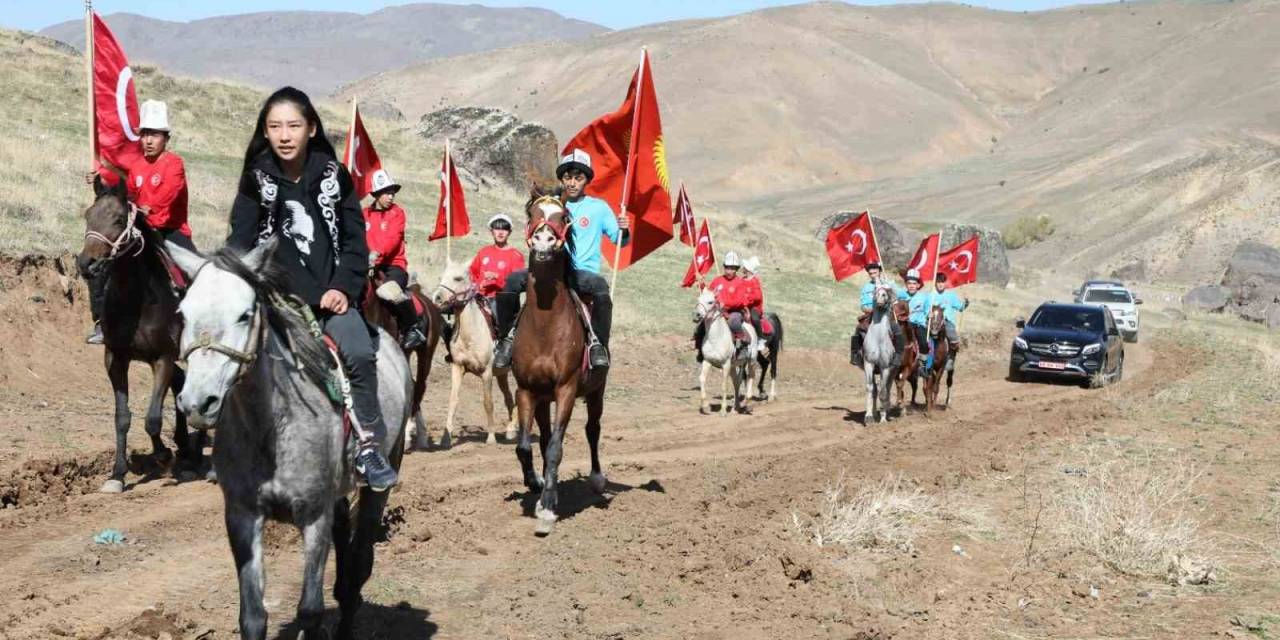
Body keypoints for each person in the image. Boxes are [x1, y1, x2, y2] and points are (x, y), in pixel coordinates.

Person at [225, 86, 397, 491]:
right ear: (264, 132)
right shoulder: (256, 180)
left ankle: (368, 445)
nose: (284, 135)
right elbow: (241, 244)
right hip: (276, 302)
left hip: (333, 303)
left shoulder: (333, 176)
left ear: (312, 128)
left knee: (356, 347)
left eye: (293, 126)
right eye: (275, 127)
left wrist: (342, 288)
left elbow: (356, 241)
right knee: (235, 352)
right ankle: (230, 440)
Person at [492, 149, 629, 369]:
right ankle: (505, 340)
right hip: (545, 269)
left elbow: (620, 241)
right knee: (510, 282)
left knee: (600, 286)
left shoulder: (599, 208)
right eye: (567, 177)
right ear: (562, 179)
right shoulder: (550, 204)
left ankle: (598, 345)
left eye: (578, 178)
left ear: (586, 180)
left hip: (581, 273)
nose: (572, 183)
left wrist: (624, 229)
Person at [82, 99, 196, 344]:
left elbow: (169, 195)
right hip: (141, 230)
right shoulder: (137, 167)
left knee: (194, 274)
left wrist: (148, 209)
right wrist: (100, 182)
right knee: (105, 262)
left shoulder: (174, 164)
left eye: (154, 134)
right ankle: (103, 322)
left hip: (170, 231)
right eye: (144, 134)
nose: (148, 140)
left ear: (166, 138)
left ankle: (193, 327)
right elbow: (128, 196)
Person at [440, 214, 525, 363]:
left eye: (504, 229)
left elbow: (517, 283)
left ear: (509, 232)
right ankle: (452, 346)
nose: (500, 232)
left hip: (501, 299)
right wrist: (475, 285)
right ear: (491, 231)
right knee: (446, 309)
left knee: (498, 318)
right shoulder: (484, 252)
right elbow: (472, 273)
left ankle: (503, 347)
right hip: (478, 296)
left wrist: (497, 280)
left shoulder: (515, 255)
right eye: (496, 228)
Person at [363, 168, 426, 350]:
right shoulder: (364, 214)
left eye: (392, 193)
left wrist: (375, 256)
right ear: (376, 194)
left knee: (388, 291)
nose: (391, 196)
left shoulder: (397, 213)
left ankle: (412, 329)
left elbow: (392, 240)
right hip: (366, 265)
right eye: (386, 193)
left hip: (393, 266)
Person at [694, 252, 753, 360]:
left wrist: (725, 304)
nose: (729, 271)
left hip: (734, 312)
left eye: (732, 268)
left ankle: (742, 346)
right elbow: (710, 293)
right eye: (727, 268)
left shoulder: (740, 282)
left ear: (736, 269)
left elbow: (740, 300)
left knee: (734, 322)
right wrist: (701, 283)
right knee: (702, 323)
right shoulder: (718, 280)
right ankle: (700, 349)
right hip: (718, 311)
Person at [850, 262, 908, 367]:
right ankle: (855, 355)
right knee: (859, 328)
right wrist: (869, 310)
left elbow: (904, 295)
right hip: (871, 314)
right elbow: (863, 305)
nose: (873, 275)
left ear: (880, 272)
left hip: (887, 315)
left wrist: (892, 289)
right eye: (871, 273)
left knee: (897, 330)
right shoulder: (866, 287)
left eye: (875, 273)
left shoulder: (888, 284)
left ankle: (898, 356)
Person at [910, 272, 968, 355]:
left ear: (945, 283)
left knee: (951, 334)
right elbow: (925, 308)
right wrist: (927, 314)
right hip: (931, 321)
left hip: (946, 321)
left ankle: (951, 355)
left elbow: (960, 307)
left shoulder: (951, 295)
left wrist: (965, 304)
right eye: (938, 282)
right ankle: (921, 356)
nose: (940, 284)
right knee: (921, 335)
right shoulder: (930, 295)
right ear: (935, 283)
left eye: (942, 282)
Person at [740, 255, 770, 355]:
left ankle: (761, 339)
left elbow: (757, 296)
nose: (742, 268)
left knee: (754, 318)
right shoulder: (742, 279)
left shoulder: (754, 281)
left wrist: (747, 299)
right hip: (742, 305)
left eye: (744, 267)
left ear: (748, 269)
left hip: (754, 307)